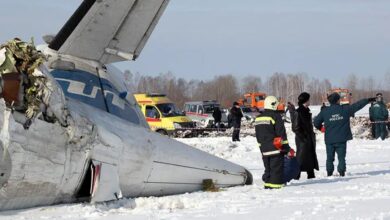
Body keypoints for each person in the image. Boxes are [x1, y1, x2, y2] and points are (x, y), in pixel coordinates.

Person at [314, 93, 375, 177]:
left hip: (330, 139)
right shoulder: (345, 109)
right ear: (338, 100)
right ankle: (342, 173)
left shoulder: (325, 111)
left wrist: (321, 128)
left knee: (329, 158)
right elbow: (357, 106)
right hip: (341, 139)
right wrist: (367, 100)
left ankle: (329, 173)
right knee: (341, 158)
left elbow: (316, 122)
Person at [255, 96, 295, 189]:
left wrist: (261, 148)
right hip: (275, 149)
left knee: (268, 170)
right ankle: (275, 188)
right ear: (273, 105)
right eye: (277, 105)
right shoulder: (276, 116)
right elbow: (281, 135)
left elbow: (258, 136)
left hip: (264, 149)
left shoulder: (258, 118)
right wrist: (287, 149)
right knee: (276, 170)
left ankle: (268, 186)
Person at [288, 92, 319, 179]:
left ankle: (311, 177)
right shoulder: (298, 112)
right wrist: (304, 137)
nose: (309, 101)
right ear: (305, 100)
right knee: (301, 160)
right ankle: (295, 178)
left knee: (309, 158)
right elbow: (295, 128)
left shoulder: (306, 110)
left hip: (308, 140)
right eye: (308, 99)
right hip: (303, 141)